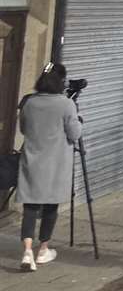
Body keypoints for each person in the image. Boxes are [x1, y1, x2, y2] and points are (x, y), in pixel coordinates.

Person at [16, 63, 82, 271]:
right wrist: (79, 122)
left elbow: (24, 129)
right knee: (50, 206)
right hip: (56, 163)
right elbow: (74, 134)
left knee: (30, 205)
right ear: (61, 81)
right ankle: (43, 249)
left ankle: (27, 251)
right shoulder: (65, 104)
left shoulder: (29, 103)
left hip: (32, 161)